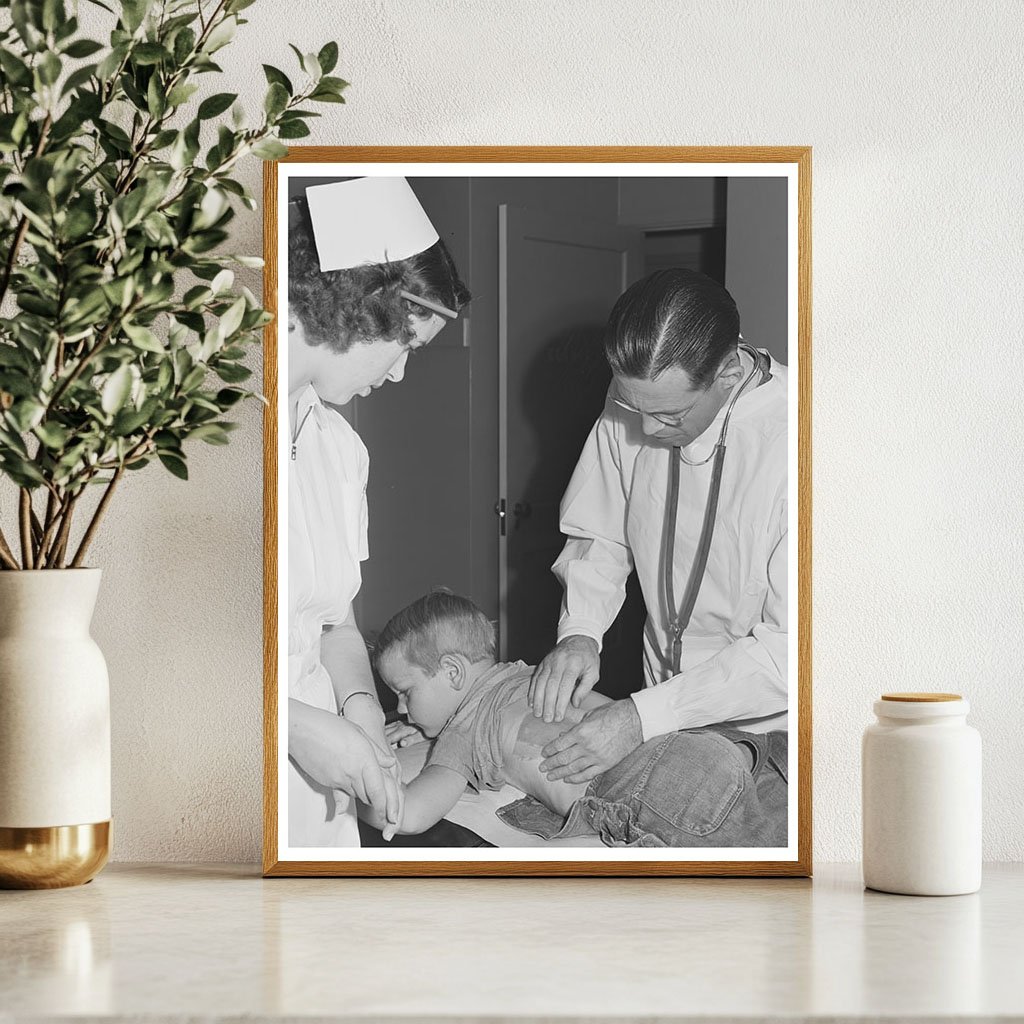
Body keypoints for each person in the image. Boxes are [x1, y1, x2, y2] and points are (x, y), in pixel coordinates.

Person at [530, 268, 789, 787]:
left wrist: (639, 717)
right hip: (658, 707)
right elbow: (599, 529)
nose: (645, 430)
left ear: (730, 375)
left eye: (670, 415)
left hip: (764, 729)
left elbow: (789, 654)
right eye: (630, 406)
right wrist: (581, 631)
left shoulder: (801, 445)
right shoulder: (644, 393)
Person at [287, 177, 470, 847]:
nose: (397, 376)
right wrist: (296, 728)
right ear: (361, 307)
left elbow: (336, 624)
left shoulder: (342, 452)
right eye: (408, 347)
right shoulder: (209, 440)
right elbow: (164, 654)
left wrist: (361, 713)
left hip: (325, 790)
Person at [362, 591, 788, 847]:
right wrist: (421, 724)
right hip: (704, 743)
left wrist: (352, 781)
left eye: (405, 692)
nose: (400, 707)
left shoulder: (464, 730)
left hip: (651, 789)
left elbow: (409, 814)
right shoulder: (526, 674)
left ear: (453, 672)